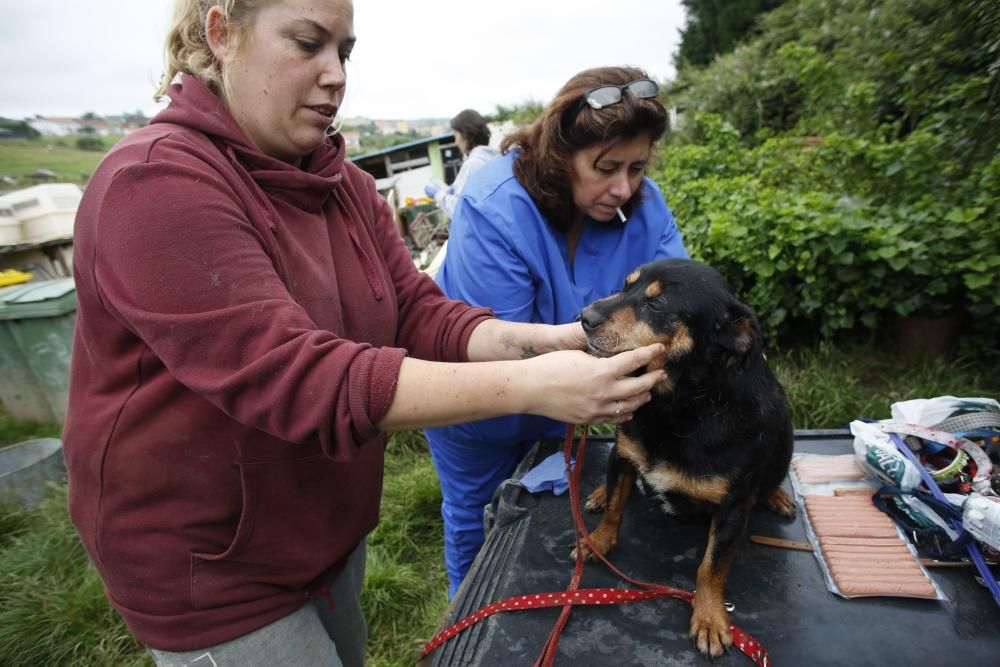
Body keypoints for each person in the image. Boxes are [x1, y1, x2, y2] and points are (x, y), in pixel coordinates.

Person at [62, 3, 667, 666]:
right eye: (307, 43)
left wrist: (544, 342)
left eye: (344, 52)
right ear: (221, 32)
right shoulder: (155, 186)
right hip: (211, 570)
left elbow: (418, 314)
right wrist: (533, 385)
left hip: (320, 530)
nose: (334, 75)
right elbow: (300, 377)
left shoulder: (343, 185)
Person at [425, 65, 689, 598]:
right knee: (479, 521)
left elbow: (676, 316)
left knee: (547, 523)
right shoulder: (495, 204)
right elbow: (497, 344)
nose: (623, 188)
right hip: (480, 406)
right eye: (606, 167)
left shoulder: (646, 208)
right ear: (560, 155)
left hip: (576, 406)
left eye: (637, 167)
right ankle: (469, 624)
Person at [423, 109, 500, 218]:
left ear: (465, 134)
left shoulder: (473, 164)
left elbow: (460, 210)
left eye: (455, 136)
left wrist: (437, 194)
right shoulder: (492, 158)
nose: (456, 142)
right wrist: (452, 190)